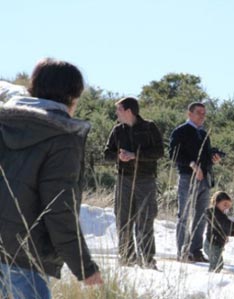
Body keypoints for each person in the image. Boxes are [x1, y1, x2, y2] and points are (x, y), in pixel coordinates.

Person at [0, 58, 103, 299]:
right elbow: (58, 209)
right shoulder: (63, 138)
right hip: (24, 260)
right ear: (73, 97)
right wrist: (85, 267)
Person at [104, 97, 164, 269]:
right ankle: (127, 259)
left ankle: (147, 260)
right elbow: (107, 153)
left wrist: (135, 155)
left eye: (119, 110)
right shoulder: (117, 130)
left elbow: (159, 152)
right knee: (123, 220)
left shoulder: (149, 127)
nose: (116, 113)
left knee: (145, 220)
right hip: (123, 179)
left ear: (128, 111)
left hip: (146, 180)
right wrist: (118, 156)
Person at [169, 102, 221, 262]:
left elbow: (205, 157)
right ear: (189, 114)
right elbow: (173, 154)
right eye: (199, 112)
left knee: (201, 216)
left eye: (204, 113)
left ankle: (196, 250)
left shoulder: (203, 133)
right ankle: (183, 252)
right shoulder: (180, 131)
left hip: (205, 180)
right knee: (184, 215)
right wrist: (192, 165)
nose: (202, 116)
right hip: (187, 178)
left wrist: (214, 159)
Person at [203, 191, 234, 272]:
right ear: (216, 202)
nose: (226, 207)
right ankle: (211, 279)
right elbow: (226, 224)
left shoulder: (220, 215)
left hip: (216, 245)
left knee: (218, 265)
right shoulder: (214, 213)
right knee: (216, 266)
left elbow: (221, 229)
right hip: (212, 245)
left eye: (228, 206)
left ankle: (212, 277)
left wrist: (233, 233)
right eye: (225, 204)